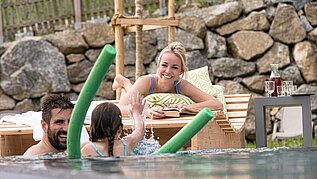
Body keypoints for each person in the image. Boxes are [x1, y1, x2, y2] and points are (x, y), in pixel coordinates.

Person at [112, 41, 223, 119]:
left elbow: (217, 104)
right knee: (132, 96)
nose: (168, 71)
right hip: (145, 88)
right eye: (164, 65)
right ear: (158, 66)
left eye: (174, 67)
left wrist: (187, 107)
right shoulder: (145, 82)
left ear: (181, 71)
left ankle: (125, 82)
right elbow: (119, 108)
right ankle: (123, 81)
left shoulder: (182, 85)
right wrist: (146, 112)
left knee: (132, 92)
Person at [81, 92, 145, 157]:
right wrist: (136, 112)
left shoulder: (87, 148)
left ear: (92, 126)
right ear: (120, 128)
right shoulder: (127, 144)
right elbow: (140, 131)